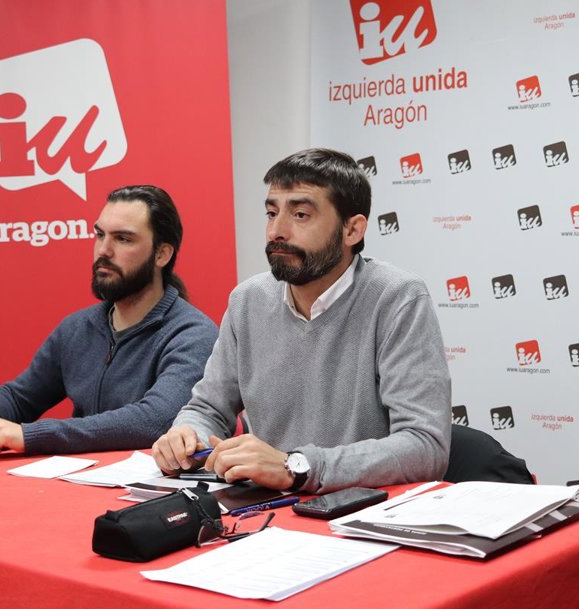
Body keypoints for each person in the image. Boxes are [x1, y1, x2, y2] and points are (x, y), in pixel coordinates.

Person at [152, 149, 450, 493]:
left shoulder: (397, 298)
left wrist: (296, 466)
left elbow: (425, 446)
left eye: (301, 215)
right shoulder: (248, 300)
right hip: (267, 506)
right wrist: (187, 436)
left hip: (362, 510)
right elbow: (208, 409)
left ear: (352, 230)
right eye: (271, 213)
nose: (276, 231)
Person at [0, 185, 218, 455]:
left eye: (123, 239)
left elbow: (157, 419)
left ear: (161, 254)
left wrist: (33, 435)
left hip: (148, 482)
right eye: (100, 235)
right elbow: (20, 399)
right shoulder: (77, 328)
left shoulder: (193, 334)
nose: (103, 250)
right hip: (76, 481)